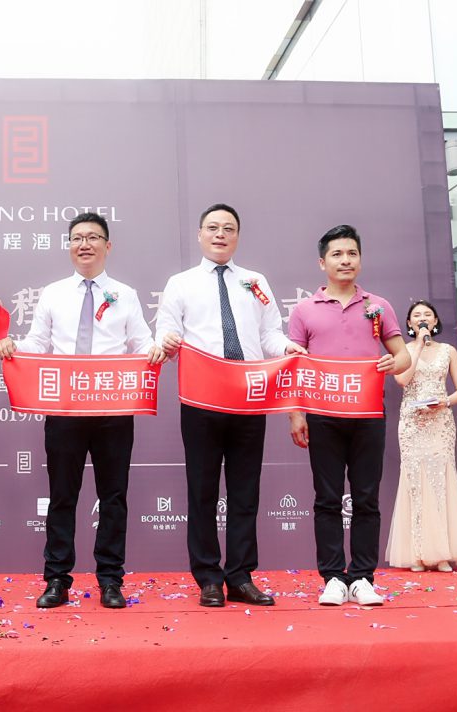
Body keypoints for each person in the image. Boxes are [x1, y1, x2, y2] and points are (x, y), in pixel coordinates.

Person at [0, 212, 165, 609]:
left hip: (113, 409)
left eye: (92, 237)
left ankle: (111, 580)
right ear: (69, 246)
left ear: (108, 246)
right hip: (65, 409)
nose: (84, 244)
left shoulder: (125, 294)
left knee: (114, 497)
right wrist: (14, 347)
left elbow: (141, 342)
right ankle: (57, 579)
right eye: (77, 238)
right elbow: (38, 342)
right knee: (62, 496)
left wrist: (155, 349)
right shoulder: (53, 293)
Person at [156, 203, 306, 608]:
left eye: (228, 228)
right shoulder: (181, 283)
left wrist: (287, 348)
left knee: (245, 491)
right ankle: (208, 577)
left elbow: (269, 333)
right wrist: (167, 341)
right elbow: (167, 329)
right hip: (201, 398)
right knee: (202, 490)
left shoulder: (255, 282)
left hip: (248, 398)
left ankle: (240, 576)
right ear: (200, 235)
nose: (220, 234)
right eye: (213, 227)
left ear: (237, 236)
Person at [288, 224, 410, 607]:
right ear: (322, 262)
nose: (345, 260)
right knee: (326, 498)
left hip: (368, 412)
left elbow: (403, 355)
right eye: (337, 254)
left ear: (360, 259)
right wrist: (295, 414)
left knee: (366, 497)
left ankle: (362, 578)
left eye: (352, 253)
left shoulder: (378, 305)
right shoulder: (304, 310)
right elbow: (293, 366)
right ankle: (333, 578)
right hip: (322, 413)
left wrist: (394, 362)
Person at [385, 300, 457, 572]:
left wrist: (445, 402)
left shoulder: (448, 351)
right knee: (415, 483)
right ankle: (418, 554)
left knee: (440, 483)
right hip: (412, 424)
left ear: (435, 321)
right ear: (409, 323)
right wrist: (419, 347)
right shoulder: (404, 351)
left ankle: (442, 554)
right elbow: (402, 380)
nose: (422, 318)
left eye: (427, 315)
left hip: (440, 422)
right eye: (416, 315)